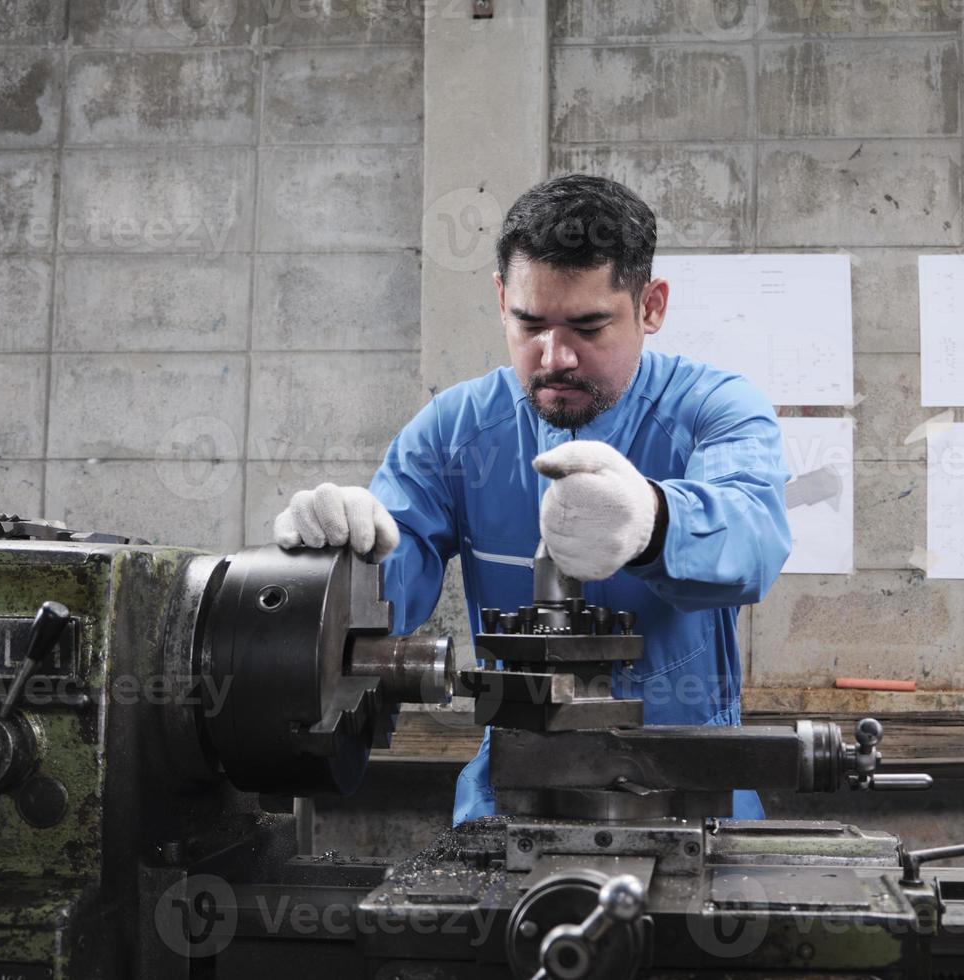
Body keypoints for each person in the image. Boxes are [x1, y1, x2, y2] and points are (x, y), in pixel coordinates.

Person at [274, 174, 791, 824]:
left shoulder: (715, 410)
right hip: (514, 801)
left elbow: (753, 540)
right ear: (500, 299)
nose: (555, 357)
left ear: (651, 305)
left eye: (588, 326)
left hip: (692, 797)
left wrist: (655, 523)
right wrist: (333, 565)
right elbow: (386, 581)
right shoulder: (455, 431)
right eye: (529, 323)